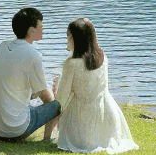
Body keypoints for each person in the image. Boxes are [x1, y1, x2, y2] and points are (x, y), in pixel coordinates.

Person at [54, 17, 139, 153]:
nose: (67, 40)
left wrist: (56, 116)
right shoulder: (102, 57)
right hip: (108, 119)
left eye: (69, 37)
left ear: (76, 39)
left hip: (81, 123)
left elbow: (62, 98)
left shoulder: (71, 64)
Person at [0, 7, 61, 141]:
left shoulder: (2, 46)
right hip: (14, 129)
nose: (43, 29)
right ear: (32, 30)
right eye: (41, 26)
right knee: (56, 105)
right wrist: (54, 105)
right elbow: (46, 98)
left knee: (34, 97)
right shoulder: (33, 55)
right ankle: (48, 139)